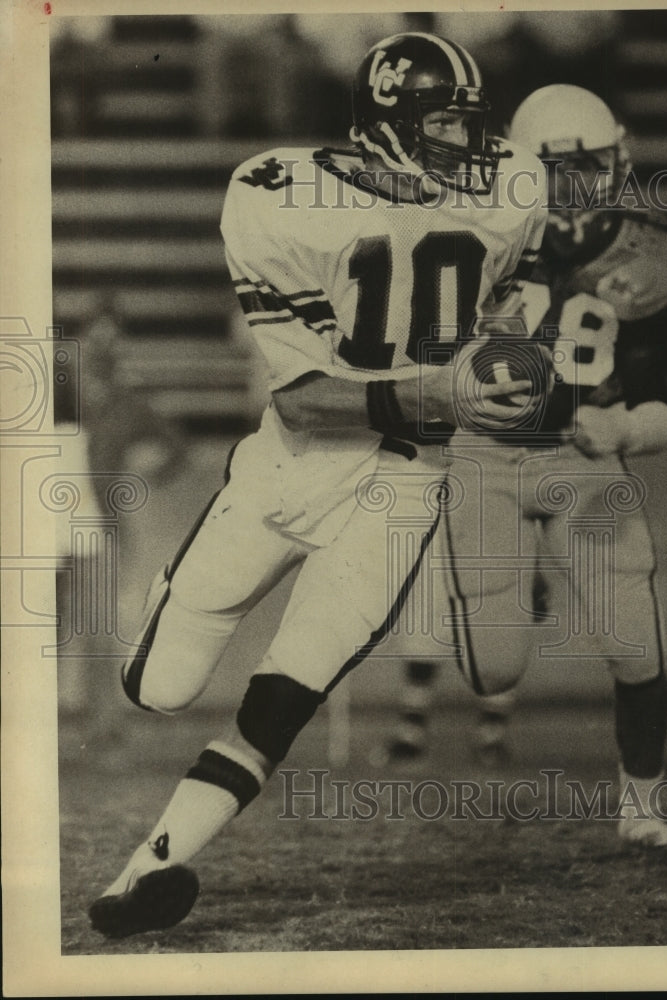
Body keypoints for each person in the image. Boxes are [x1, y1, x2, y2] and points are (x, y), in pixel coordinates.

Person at [87, 31, 547, 938]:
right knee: (161, 689)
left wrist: (505, 362)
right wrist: (438, 388)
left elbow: (505, 312)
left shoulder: (504, 197)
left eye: (472, 123)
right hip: (291, 471)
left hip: (407, 487)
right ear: (390, 125)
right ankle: (168, 614)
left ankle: (144, 874)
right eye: (449, 123)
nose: (473, 144)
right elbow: (304, 406)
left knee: (282, 702)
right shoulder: (284, 196)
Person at [386, 84, 667, 850]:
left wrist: (627, 422)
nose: (572, 190)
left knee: (636, 641)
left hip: (584, 457)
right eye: (553, 171)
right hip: (484, 455)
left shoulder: (664, 255)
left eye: (586, 168)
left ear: (618, 158)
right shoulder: (464, 233)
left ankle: (642, 810)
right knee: (494, 670)